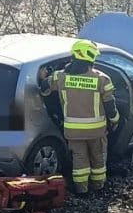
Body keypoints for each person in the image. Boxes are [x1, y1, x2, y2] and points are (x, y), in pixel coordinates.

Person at [38, 39, 120, 195]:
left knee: (79, 160)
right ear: (91, 57)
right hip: (97, 130)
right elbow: (110, 106)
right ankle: (98, 186)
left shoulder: (59, 77)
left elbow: (44, 90)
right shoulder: (102, 79)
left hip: (73, 130)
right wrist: (115, 120)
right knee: (98, 159)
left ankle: (82, 190)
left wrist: (43, 77)